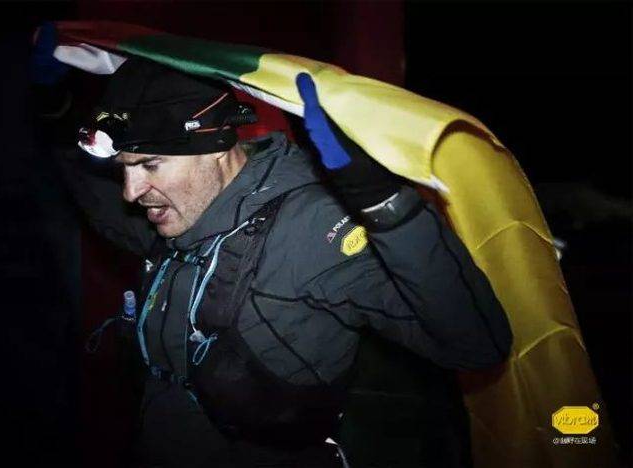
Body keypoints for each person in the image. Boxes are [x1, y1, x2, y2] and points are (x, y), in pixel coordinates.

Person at [50, 58, 513, 467]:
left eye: (150, 165)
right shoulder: (173, 213)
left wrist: (380, 200)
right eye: (124, 167)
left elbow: (477, 343)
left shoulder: (310, 228)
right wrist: (56, 110)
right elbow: (97, 202)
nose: (131, 191)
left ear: (214, 147)